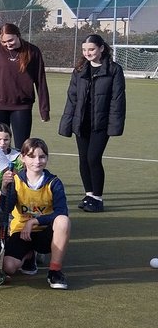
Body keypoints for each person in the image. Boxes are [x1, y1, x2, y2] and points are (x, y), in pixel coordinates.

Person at [58, 34, 126, 213]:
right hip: (81, 123)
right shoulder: (79, 69)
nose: (87, 53)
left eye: (91, 49)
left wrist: (114, 126)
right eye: (84, 50)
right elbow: (72, 97)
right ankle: (88, 194)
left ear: (101, 48)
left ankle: (97, 198)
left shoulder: (114, 70)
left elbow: (117, 100)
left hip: (101, 124)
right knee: (83, 159)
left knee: (93, 158)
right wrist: (67, 122)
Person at [0, 138, 71, 289]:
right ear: (23, 158)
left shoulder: (54, 182)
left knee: (63, 221)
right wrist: (5, 189)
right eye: (31, 156)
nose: (37, 161)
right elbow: (7, 208)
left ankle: (55, 271)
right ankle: (29, 255)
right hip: (21, 232)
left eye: (42, 156)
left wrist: (34, 221)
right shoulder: (16, 180)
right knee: (9, 267)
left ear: (47, 158)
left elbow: (61, 212)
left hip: (45, 232)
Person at [0, 22, 50, 149]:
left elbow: (41, 81)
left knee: (21, 147)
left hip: (21, 107)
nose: (7, 44)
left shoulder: (33, 51)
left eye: (10, 40)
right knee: (0, 147)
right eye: (3, 42)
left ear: (18, 35)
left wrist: (44, 109)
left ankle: (20, 169)